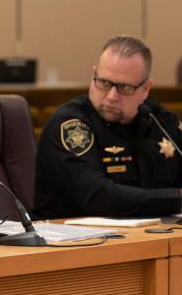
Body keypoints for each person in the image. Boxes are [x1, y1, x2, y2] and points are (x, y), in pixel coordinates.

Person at [34, 36, 182, 219]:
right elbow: (98, 198)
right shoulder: (70, 125)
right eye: (104, 83)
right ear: (93, 75)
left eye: (124, 87)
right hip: (76, 242)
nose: (112, 96)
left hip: (149, 239)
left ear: (146, 89)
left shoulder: (161, 122)